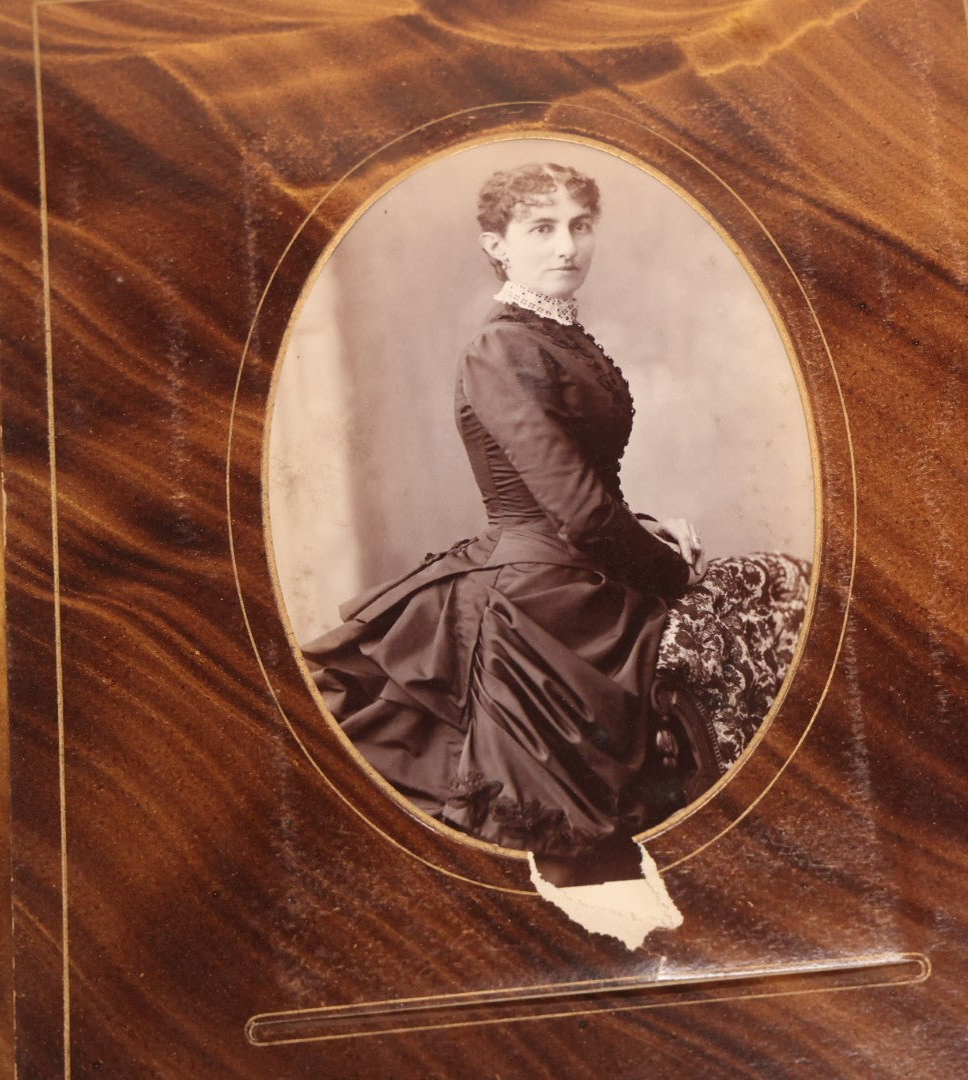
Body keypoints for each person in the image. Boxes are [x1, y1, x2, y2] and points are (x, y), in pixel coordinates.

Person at [304, 162, 806, 885]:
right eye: (541, 228)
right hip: (538, 601)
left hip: (582, 569)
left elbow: (580, 489)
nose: (566, 246)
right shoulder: (501, 348)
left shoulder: (556, 335)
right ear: (496, 245)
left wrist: (647, 529)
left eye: (579, 225)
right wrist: (673, 571)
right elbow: (573, 508)